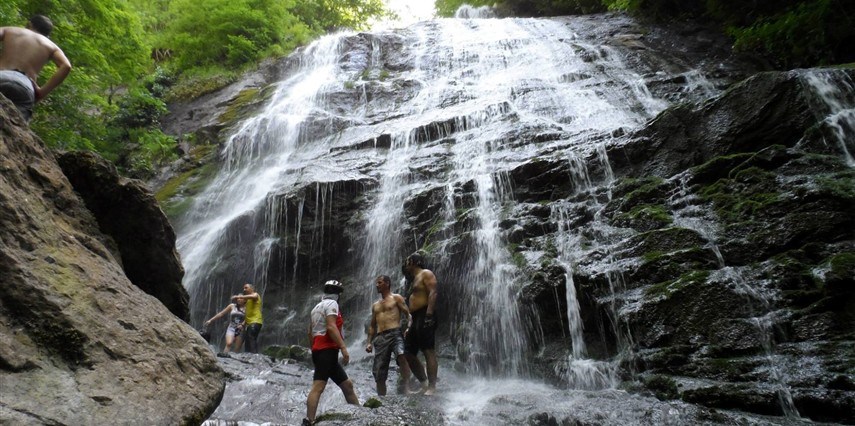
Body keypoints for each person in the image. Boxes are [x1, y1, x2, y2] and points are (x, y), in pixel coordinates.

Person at [304, 280, 359, 426]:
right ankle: (308, 421)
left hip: (321, 351)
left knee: (347, 385)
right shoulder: (332, 304)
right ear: (338, 294)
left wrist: (314, 350)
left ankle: (360, 414)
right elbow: (331, 327)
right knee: (318, 387)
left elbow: (310, 332)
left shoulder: (316, 307)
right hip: (327, 351)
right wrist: (343, 348)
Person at [0, 15, 72, 121]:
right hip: (25, 86)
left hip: (2, 75)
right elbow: (66, 66)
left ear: (30, 24)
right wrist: (42, 92)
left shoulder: (10, 30)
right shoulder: (51, 45)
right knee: (17, 126)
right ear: (47, 34)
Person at [365, 275, 412, 396]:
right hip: (381, 337)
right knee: (379, 371)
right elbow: (372, 326)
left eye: (379, 283)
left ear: (387, 283)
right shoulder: (375, 305)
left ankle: (407, 387)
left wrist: (408, 328)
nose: (377, 285)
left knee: (401, 355)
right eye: (376, 283)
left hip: (395, 332)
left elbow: (408, 314)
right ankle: (382, 398)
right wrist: (369, 342)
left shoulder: (396, 298)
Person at [401, 252, 439, 395]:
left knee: (428, 350)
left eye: (408, 261)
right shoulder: (414, 279)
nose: (406, 263)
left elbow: (433, 292)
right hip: (415, 317)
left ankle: (432, 387)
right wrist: (410, 324)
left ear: (416, 262)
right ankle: (423, 384)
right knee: (408, 353)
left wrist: (429, 315)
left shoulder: (426, 273)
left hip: (425, 314)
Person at [232, 283, 262, 353]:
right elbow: (248, 315)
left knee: (251, 339)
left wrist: (238, 296)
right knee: (247, 341)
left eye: (246, 288)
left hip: (255, 321)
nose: (244, 289)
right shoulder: (248, 301)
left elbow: (254, 296)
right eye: (244, 288)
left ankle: (255, 357)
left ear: (252, 289)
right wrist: (242, 324)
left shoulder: (256, 295)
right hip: (250, 323)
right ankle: (248, 356)